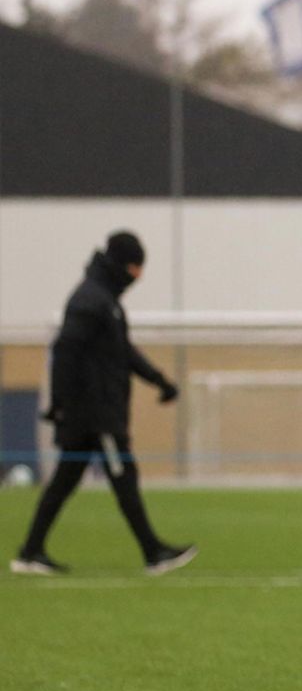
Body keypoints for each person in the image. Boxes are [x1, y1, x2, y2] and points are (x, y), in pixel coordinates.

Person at [12, 232, 194, 577]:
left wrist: (159, 380)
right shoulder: (91, 301)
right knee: (123, 477)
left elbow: (122, 353)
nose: (138, 276)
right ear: (122, 265)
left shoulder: (103, 300)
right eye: (135, 268)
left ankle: (30, 552)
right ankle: (153, 552)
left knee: (64, 482)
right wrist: (59, 404)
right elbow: (64, 352)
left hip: (95, 414)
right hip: (96, 417)